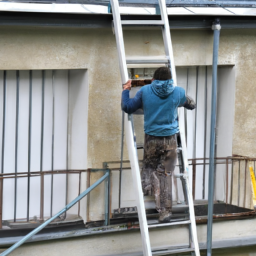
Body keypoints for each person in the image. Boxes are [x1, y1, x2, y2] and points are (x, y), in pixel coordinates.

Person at [121, 67, 196, 223]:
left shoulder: (145, 91)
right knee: (165, 175)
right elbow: (192, 104)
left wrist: (126, 90)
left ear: (154, 79)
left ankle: (148, 190)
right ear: (170, 80)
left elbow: (127, 107)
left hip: (152, 139)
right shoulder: (178, 92)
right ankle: (164, 212)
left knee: (148, 166)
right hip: (170, 140)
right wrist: (177, 101)